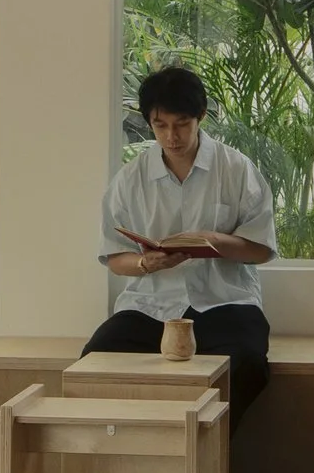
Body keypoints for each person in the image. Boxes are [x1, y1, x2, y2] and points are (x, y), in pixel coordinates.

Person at [86, 65, 277, 421]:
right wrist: (145, 263)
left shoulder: (236, 169)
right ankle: (147, 456)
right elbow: (114, 256)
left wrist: (217, 240)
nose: (171, 136)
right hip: (150, 304)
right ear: (149, 122)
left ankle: (204, 451)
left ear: (201, 116)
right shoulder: (130, 179)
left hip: (226, 302)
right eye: (160, 125)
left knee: (249, 364)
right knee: (96, 358)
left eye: (182, 123)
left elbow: (261, 249)